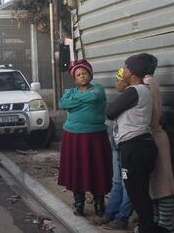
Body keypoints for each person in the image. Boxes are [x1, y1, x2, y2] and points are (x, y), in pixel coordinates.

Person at [105, 53, 168, 233]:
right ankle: (148, 227)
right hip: (143, 146)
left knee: (137, 194)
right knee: (141, 194)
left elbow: (110, 112)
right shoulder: (143, 90)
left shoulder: (134, 91)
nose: (122, 70)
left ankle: (149, 228)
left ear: (131, 72)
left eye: (125, 67)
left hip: (134, 147)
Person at [58, 60, 112, 217]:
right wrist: (85, 98)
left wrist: (74, 103)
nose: (82, 76)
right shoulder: (70, 91)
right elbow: (62, 104)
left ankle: (99, 203)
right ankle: (79, 203)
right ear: (75, 79)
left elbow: (96, 98)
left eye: (84, 73)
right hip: (73, 136)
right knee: (77, 168)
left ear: (90, 75)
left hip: (95, 136)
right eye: (78, 75)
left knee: (97, 168)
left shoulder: (98, 89)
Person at [93, 68, 133, 230]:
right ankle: (110, 214)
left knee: (126, 183)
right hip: (116, 143)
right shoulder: (125, 96)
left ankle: (122, 217)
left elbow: (110, 112)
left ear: (127, 81)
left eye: (119, 80)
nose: (116, 84)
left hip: (126, 144)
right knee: (117, 181)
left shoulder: (133, 95)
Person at [144, 55, 174, 231]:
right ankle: (158, 224)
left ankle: (166, 226)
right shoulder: (150, 82)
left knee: (163, 186)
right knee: (155, 185)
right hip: (154, 137)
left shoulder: (148, 83)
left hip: (155, 137)